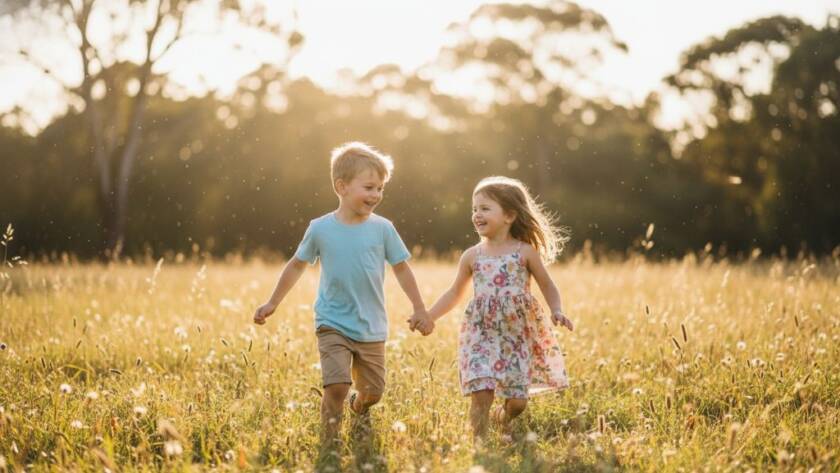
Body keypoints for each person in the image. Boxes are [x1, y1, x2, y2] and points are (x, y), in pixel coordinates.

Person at [254, 142, 426, 443]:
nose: (376, 195)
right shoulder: (320, 228)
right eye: (369, 187)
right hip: (332, 321)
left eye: (380, 188)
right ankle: (329, 443)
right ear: (342, 186)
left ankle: (359, 409)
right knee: (337, 386)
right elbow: (296, 265)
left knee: (373, 393)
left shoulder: (383, 228)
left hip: (371, 325)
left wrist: (419, 307)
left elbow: (402, 268)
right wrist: (272, 301)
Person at [409, 176, 573, 440]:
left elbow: (547, 284)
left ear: (509, 215)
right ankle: (479, 445)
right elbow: (454, 292)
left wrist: (557, 309)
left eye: (485, 208)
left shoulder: (524, 252)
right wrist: (430, 316)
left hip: (517, 335)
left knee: (518, 403)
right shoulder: (472, 255)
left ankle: (503, 416)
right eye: (474, 209)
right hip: (481, 333)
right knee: (482, 392)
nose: (476, 214)